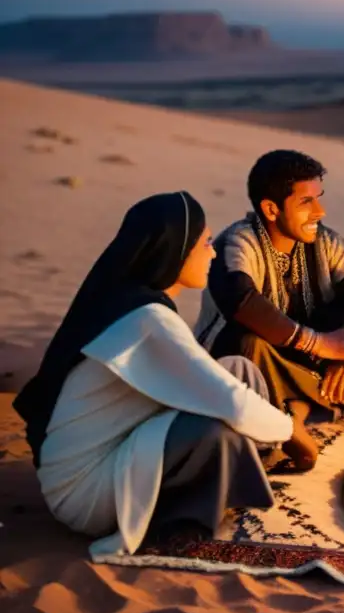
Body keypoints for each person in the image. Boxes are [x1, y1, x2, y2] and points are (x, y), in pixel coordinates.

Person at [13, 192, 295, 558]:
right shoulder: (148, 320)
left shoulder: (134, 304)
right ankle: (185, 520)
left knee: (238, 371)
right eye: (206, 243)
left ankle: (244, 464)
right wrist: (291, 431)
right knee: (217, 430)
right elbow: (233, 404)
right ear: (176, 251)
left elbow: (217, 382)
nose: (213, 253)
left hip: (114, 451)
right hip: (86, 493)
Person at [195, 151, 344, 468]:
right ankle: (326, 402)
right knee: (248, 344)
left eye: (319, 198)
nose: (320, 211)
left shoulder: (322, 241)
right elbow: (241, 300)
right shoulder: (237, 242)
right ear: (271, 209)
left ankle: (318, 397)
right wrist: (323, 345)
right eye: (306, 202)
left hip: (308, 357)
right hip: (247, 360)